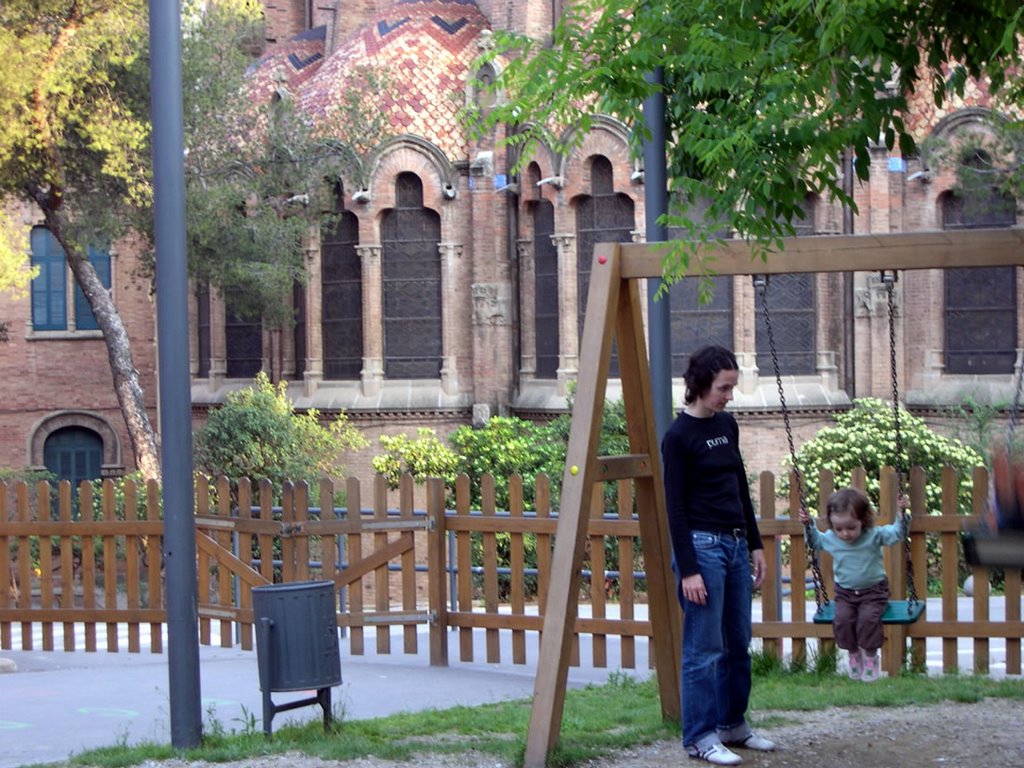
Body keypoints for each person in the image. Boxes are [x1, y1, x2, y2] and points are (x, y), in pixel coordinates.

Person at [661, 345, 775, 766]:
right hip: (703, 549)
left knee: (737, 644)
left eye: (731, 387)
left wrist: (756, 544)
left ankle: (732, 725)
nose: (729, 396)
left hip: (734, 543)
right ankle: (699, 737)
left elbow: (740, 488)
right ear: (701, 384)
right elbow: (674, 508)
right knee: (703, 649)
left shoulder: (727, 425)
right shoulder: (678, 438)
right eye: (724, 387)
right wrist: (688, 570)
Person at [799, 486, 905, 682]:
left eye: (851, 527)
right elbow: (815, 542)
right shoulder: (831, 538)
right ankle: (854, 654)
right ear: (831, 524)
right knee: (842, 620)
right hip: (845, 593)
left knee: (868, 620)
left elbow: (898, 533)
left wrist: (901, 514)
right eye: (838, 528)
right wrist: (808, 525)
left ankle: (871, 657)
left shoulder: (874, 535)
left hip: (874, 591)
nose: (845, 534)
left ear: (863, 521)